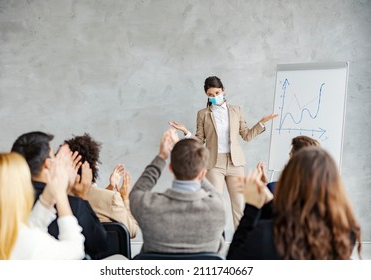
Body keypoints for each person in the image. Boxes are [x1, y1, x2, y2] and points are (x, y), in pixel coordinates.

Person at [169, 76, 278, 228]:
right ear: (207, 95)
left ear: (223, 90)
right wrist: (186, 131)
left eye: (217, 93)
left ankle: (241, 245)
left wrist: (261, 123)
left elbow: (246, 135)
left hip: (235, 163)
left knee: (239, 205)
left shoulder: (236, 110)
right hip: (214, 163)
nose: (214, 97)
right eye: (210, 95)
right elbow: (199, 141)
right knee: (215, 205)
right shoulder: (203, 114)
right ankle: (215, 244)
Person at [227, 147, 362, 260]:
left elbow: (234, 265)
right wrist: (270, 203)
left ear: (289, 183)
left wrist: (252, 207)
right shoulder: (345, 232)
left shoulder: (267, 235)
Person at [11, 131, 116, 260]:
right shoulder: (73, 204)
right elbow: (100, 246)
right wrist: (80, 197)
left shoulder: (5, 202)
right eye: (53, 156)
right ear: (47, 164)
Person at [130, 129, 227, 256]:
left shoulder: (147, 206)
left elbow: (137, 191)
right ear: (202, 173)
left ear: (170, 168)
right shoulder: (218, 207)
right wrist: (197, 169)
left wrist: (162, 156)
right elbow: (215, 194)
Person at [0, 150, 85, 259]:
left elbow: (28, 229)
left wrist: (47, 199)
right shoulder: (30, 243)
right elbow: (75, 249)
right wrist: (61, 195)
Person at [64, 133, 138, 238]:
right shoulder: (112, 198)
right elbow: (132, 231)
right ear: (95, 166)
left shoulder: (59, 198)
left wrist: (110, 187)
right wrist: (124, 198)